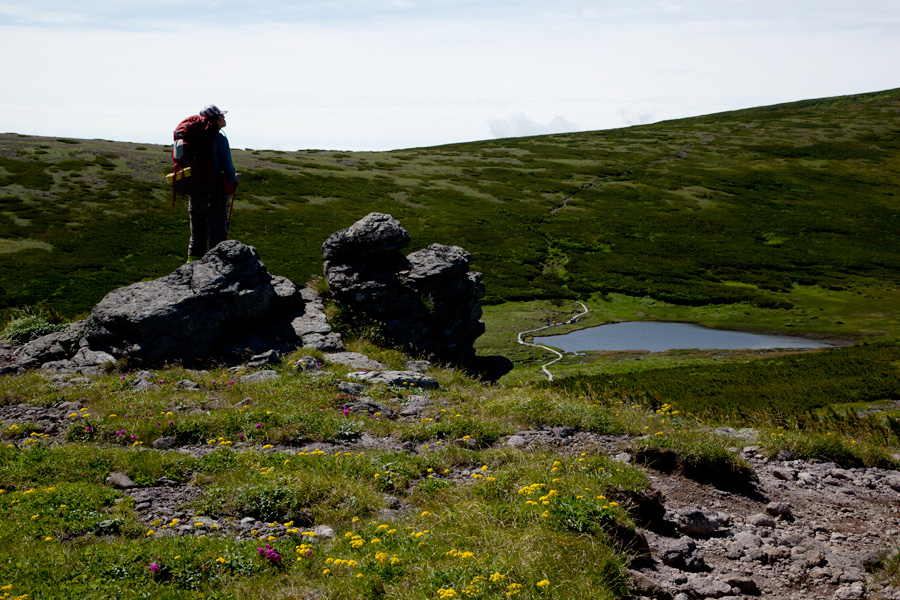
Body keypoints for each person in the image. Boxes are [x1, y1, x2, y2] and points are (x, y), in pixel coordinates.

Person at [187, 104, 240, 261]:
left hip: (195, 192)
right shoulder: (219, 139)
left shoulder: (194, 138)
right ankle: (215, 271)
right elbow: (228, 168)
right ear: (215, 119)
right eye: (222, 116)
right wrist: (234, 179)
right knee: (217, 237)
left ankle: (190, 270)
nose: (224, 118)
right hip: (215, 193)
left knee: (196, 237)